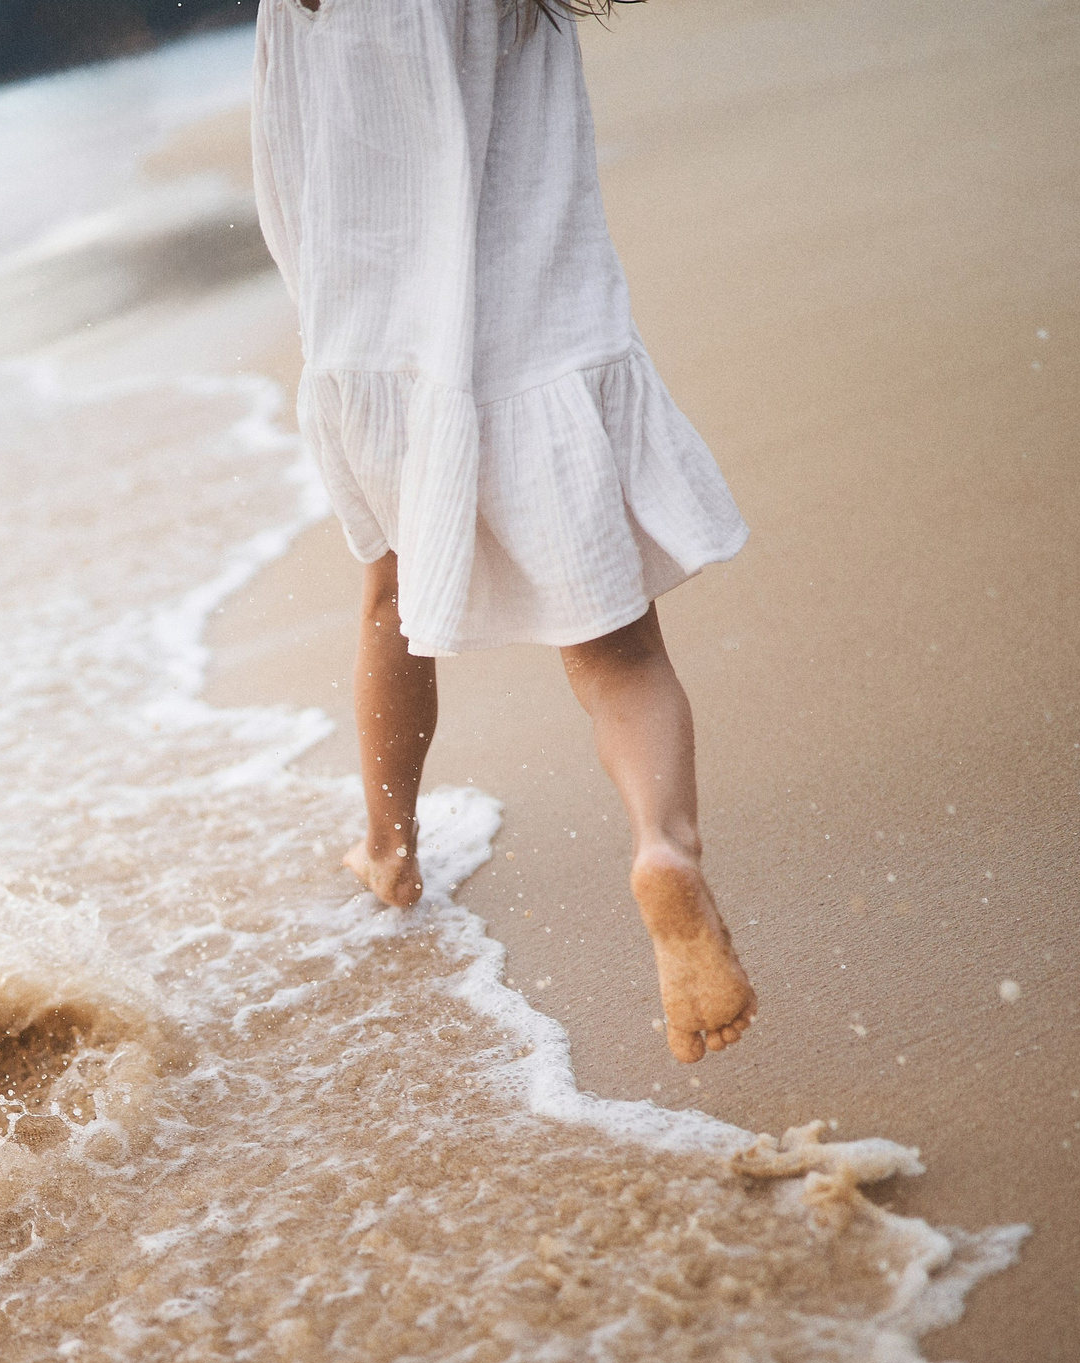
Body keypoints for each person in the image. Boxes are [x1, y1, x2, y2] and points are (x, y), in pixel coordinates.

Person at [251, 0, 757, 1064]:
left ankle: (390, 848)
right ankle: (663, 847)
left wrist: (338, 352)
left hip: (382, 357)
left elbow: (283, 183)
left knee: (389, 598)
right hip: (543, 339)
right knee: (616, 646)